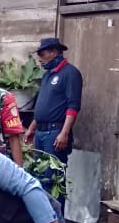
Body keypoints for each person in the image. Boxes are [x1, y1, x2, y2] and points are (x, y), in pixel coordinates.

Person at [25, 37, 82, 206]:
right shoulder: (47, 75)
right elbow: (43, 105)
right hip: (41, 133)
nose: (40, 59)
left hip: (55, 134)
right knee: (39, 178)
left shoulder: (70, 74)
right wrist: (31, 128)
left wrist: (64, 133)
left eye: (42, 54)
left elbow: (73, 106)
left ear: (54, 52)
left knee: (53, 180)